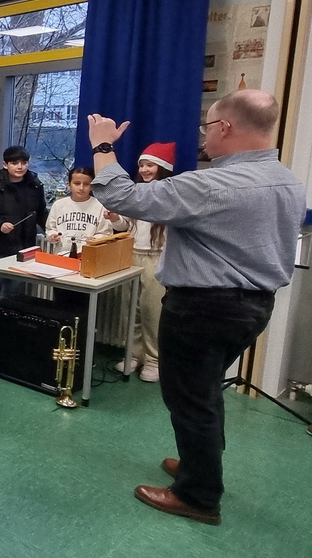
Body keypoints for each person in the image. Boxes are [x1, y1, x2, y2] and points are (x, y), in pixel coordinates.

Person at [89, 89, 305, 525]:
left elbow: (125, 198)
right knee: (204, 392)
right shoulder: (288, 181)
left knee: (190, 400)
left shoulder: (212, 185)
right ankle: (198, 466)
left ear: (225, 126)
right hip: (253, 306)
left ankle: (198, 495)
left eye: (208, 127)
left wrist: (103, 145)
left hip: (204, 308)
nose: (205, 137)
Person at [113, 143, 175, 383]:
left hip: (155, 258)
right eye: (141, 165)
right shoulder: (135, 192)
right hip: (131, 256)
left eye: (150, 165)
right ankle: (133, 354)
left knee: (152, 311)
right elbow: (124, 226)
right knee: (130, 309)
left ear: (162, 167)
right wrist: (115, 218)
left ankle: (154, 360)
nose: (145, 170)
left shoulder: (169, 194)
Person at [0, 145, 47, 300]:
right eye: (14, 163)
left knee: (16, 293)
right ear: (5, 164)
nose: (20, 167)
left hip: (24, 248)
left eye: (24, 163)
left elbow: (41, 213)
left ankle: (9, 317)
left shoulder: (35, 185)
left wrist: (51, 230)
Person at [45, 166, 126, 255]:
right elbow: (50, 229)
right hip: (61, 255)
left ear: (92, 186)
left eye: (86, 184)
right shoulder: (58, 205)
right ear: (69, 185)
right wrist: (52, 236)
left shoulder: (100, 206)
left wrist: (96, 239)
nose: (81, 188)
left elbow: (105, 233)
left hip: (89, 255)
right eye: (77, 183)